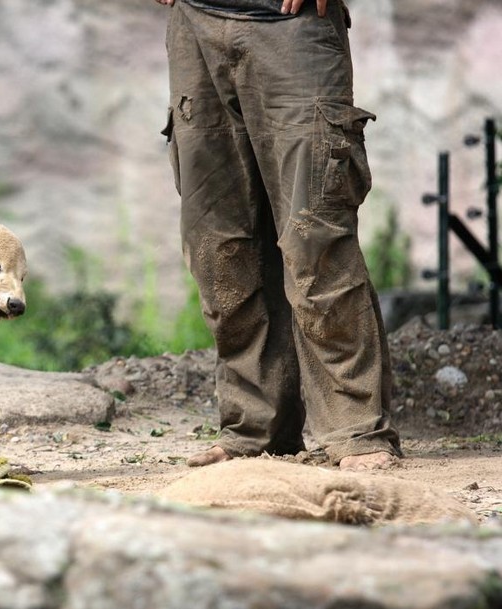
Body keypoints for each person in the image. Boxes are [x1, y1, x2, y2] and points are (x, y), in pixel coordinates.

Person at [153, 0, 402, 471]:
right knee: (219, 248)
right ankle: (256, 427)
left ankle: (354, 429)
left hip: (292, 24)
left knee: (316, 238)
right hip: (196, 22)